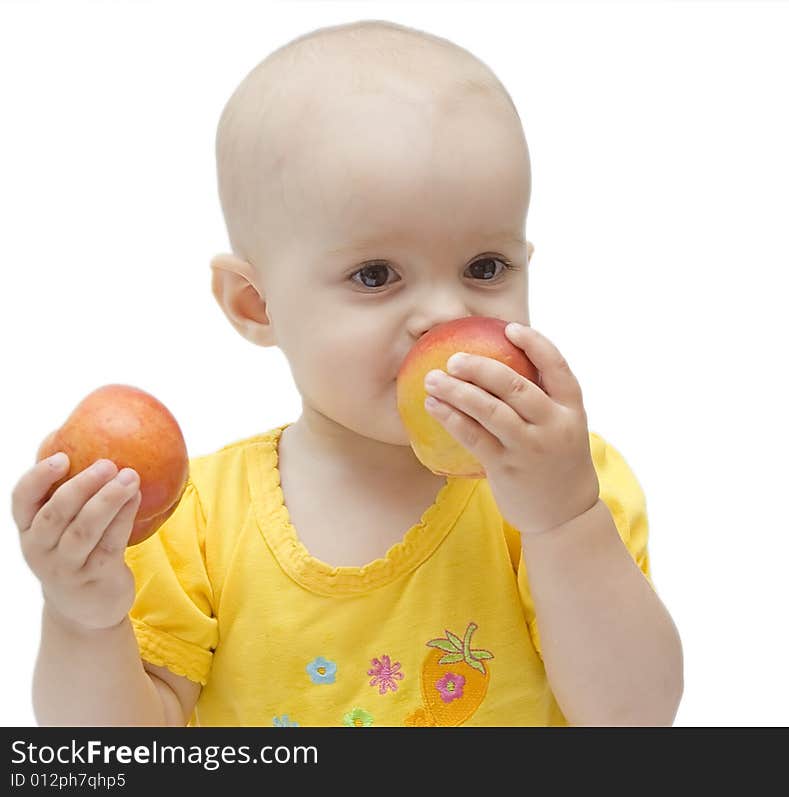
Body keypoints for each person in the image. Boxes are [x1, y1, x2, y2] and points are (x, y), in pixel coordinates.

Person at [14, 20, 683, 727]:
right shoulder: (197, 521)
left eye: (486, 267)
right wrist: (83, 620)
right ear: (256, 304)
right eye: (376, 275)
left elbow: (633, 718)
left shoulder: (564, 483)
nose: (445, 315)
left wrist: (564, 519)